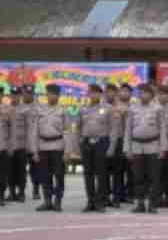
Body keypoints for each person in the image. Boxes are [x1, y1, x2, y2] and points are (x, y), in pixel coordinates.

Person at [124, 83, 167, 214]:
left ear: (151, 95)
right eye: (141, 93)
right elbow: (128, 129)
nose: (143, 95)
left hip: (153, 146)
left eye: (146, 93)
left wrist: (163, 148)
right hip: (136, 146)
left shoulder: (158, 108)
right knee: (138, 176)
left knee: (153, 177)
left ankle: (152, 204)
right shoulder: (132, 108)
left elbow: (162, 129)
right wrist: (127, 148)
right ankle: (140, 203)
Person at [29, 83, 70, 212]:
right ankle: (47, 201)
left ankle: (57, 200)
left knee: (59, 175)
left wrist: (67, 151)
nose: (50, 96)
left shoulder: (62, 110)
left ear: (58, 96)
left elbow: (67, 131)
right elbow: (34, 130)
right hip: (42, 146)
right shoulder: (40, 110)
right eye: (48, 94)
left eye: (53, 94)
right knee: (44, 176)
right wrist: (34, 150)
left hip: (57, 147)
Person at [76, 84, 114, 212]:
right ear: (88, 94)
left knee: (102, 174)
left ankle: (100, 202)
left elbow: (113, 129)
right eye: (91, 93)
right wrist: (78, 144)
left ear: (101, 94)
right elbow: (78, 128)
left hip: (101, 142)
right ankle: (90, 201)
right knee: (88, 174)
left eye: (96, 93)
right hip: (86, 143)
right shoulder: (83, 109)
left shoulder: (108, 108)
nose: (93, 95)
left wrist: (111, 147)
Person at [21, 87, 43, 200]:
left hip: (34, 143)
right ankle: (20, 191)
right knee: (19, 169)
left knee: (36, 168)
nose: (27, 96)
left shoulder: (39, 108)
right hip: (20, 143)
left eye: (29, 94)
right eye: (25, 93)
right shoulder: (16, 107)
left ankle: (36, 189)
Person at [0, 87, 10, 207]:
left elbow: (12, 129)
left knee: (2, 173)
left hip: (3, 146)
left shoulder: (8, 110)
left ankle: (1, 195)